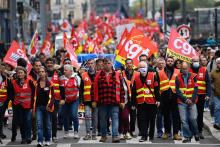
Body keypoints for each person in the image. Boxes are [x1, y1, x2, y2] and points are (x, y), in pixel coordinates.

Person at [93, 58, 125, 143]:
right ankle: (103, 136)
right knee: (103, 120)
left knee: (115, 118)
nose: (107, 64)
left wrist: (122, 100)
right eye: (105, 63)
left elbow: (121, 89)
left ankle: (115, 136)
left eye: (109, 63)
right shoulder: (98, 75)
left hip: (114, 101)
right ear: (103, 64)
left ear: (111, 64)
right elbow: (94, 88)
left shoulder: (117, 74)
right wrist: (94, 100)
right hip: (102, 101)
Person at [131, 61, 160, 142]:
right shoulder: (136, 78)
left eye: (144, 67)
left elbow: (157, 89)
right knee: (142, 119)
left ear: (147, 67)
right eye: (140, 67)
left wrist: (158, 100)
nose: (142, 69)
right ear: (138, 69)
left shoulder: (153, 75)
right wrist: (133, 103)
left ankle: (151, 135)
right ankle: (144, 135)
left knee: (152, 119)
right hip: (141, 103)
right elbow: (134, 92)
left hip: (152, 102)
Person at [9, 66, 35, 144]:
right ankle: (23, 138)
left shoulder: (30, 81)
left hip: (27, 105)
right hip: (18, 105)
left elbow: (33, 93)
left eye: (21, 73)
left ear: (25, 73)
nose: (20, 74)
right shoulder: (13, 82)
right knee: (21, 122)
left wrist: (32, 104)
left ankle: (28, 137)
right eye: (18, 73)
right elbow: (11, 93)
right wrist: (13, 101)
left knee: (28, 121)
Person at [175, 62, 200, 143]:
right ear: (181, 68)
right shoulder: (177, 77)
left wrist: (191, 100)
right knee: (184, 120)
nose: (185, 70)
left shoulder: (194, 76)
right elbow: (177, 91)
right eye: (183, 69)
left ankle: (196, 132)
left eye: (186, 68)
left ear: (188, 68)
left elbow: (196, 89)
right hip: (182, 102)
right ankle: (187, 136)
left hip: (192, 101)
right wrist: (185, 99)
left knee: (193, 118)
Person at [158, 57, 182, 140]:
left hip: (175, 96)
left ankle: (176, 133)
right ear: (166, 62)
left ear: (173, 62)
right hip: (164, 96)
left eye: (172, 61)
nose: (170, 62)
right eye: (168, 61)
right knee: (166, 115)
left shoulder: (178, 71)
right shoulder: (160, 72)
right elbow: (158, 85)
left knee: (176, 116)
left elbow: (181, 84)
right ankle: (167, 132)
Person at [189, 56, 211, 139]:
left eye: (197, 61)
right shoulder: (188, 70)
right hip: (191, 96)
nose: (196, 62)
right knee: (191, 115)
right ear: (191, 62)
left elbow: (208, 83)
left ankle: (199, 131)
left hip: (201, 96)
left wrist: (208, 94)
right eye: (194, 61)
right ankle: (191, 131)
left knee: (200, 114)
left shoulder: (204, 70)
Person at [34, 66, 54, 147]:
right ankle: (40, 141)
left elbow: (53, 97)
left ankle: (48, 139)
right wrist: (33, 108)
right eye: (39, 72)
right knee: (39, 124)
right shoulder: (36, 83)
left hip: (47, 107)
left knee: (48, 125)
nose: (41, 73)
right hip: (38, 107)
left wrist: (49, 105)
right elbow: (33, 96)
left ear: (45, 73)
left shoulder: (50, 84)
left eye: (42, 71)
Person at [59, 64, 81, 139]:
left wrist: (80, 99)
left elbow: (80, 88)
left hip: (75, 100)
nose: (64, 71)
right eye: (64, 70)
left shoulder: (77, 78)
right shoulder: (61, 78)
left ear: (71, 71)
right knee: (65, 116)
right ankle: (66, 131)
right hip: (65, 100)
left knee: (74, 115)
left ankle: (76, 132)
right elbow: (61, 90)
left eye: (66, 70)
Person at [80, 59, 98, 140]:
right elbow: (81, 88)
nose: (90, 65)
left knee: (95, 117)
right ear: (87, 65)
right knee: (87, 116)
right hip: (87, 100)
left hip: (96, 100)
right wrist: (81, 100)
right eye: (89, 64)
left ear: (95, 64)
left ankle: (94, 134)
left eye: (92, 63)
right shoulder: (83, 75)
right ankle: (88, 133)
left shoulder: (99, 74)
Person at [45, 58, 61, 143]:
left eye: (51, 63)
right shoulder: (43, 73)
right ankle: (46, 135)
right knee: (46, 118)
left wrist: (63, 98)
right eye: (48, 63)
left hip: (56, 100)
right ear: (46, 65)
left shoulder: (58, 73)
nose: (49, 64)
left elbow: (62, 86)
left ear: (54, 64)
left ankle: (54, 136)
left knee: (54, 118)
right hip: (45, 100)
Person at [121, 58, 137, 138]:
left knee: (133, 115)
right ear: (125, 64)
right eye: (127, 63)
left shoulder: (137, 73)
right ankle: (124, 130)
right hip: (125, 97)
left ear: (133, 64)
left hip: (134, 98)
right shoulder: (122, 73)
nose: (129, 64)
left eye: (130, 63)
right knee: (124, 116)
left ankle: (132, 130)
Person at [29, 58, 42, 141]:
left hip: (42, 100)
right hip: (32, 99)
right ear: (33, 66)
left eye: (39, 66)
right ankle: (34, 134)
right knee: (33, 118)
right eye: (36, 66)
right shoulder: (30, 75)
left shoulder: (43, 73)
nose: (38, 67)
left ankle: (42, 134)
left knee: (42, 119)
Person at [0, 63, 10, 143]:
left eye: (4, 68)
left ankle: (1, 133)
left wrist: (6, 101)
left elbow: (9, 90)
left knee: (1, 118)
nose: (2, 70)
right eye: (1, 68)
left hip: (3, 102)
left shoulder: (6, 78)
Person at [210, 57, 220, 130]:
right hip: (216, 94)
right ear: (216, 64)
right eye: (218, 63)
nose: (219, 64)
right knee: (217, 107)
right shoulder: (213, 72)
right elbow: (210, 82)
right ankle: (217, 123)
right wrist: (213, 87)